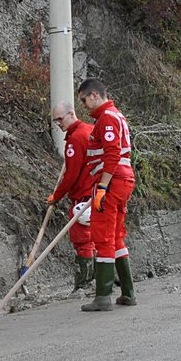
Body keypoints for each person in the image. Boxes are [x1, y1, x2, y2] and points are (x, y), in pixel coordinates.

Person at [77, 77, 136, 311]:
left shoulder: (107, 119)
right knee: (116, 235)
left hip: (112, 183)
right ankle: (128, 293)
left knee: (102, 238)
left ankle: (103, 296)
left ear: (94, 95)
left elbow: (111, 154)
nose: (83, 105)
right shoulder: (115, 116)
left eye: (83, 99)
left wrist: (102, 187)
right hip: (121, 182)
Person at [47, 102, 96, 291]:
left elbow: (71, 175)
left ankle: (83, 284)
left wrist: (56, 196)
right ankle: (101, 281)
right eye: (55, 120)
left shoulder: (76, 139)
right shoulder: (90, 130)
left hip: (83, 199)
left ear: (71, 114)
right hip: (97, 195)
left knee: (83, 241)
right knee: (97, 239)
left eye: (60, 119)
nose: (58, 124)